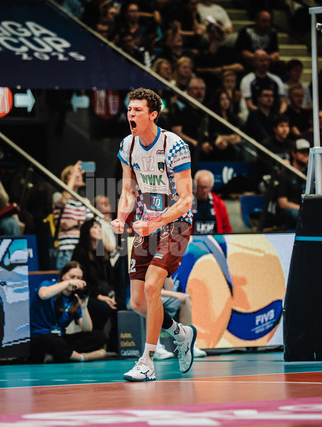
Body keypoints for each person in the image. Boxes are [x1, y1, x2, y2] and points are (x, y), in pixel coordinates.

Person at [111, 88, 197, 382]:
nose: (131, 114)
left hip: (176, 224)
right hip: (146, 224)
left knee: (152, 287)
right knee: (137, 302)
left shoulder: (174, 146)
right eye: (129, 109)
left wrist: (155, 222)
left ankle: (146, 362)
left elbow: (186, 200)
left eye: (137, 110)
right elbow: (127, 191)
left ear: (153, 115)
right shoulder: (128, 145)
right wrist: (121, 217)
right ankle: (181, 333)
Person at [29, 261, 107, 363]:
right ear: (63, 276)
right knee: (51, 340)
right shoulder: (48, 284)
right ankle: (81, 357)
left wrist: (84, 307)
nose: (75, 280)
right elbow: (43, 295)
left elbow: (87, 329)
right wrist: (68, 283)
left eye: (79, 278)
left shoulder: (75, 298)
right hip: (40, 336)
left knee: (99, 337)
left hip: (60, 338)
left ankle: (55, 356)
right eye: (72, 276)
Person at [71, 219, 118, 352]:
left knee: (119, 305)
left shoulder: (102, 252)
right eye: (95, 228)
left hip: (105, 293)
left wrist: (111, 295)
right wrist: (99, 296)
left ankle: (114, 344)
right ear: (87, 231)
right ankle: (94, 340)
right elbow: (82, 282)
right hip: (86, 295)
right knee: (103, 308)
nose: (99, 230)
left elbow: (111, 278)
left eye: (99, 228)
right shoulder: (80, 252)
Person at [52, 161, 94, 270]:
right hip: (67, 249)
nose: (78, 175)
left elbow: (90, 224)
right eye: (73, 173)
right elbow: (64, 200)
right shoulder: (57, 196)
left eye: (79, 173)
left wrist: (76, 223)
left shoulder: (85, 201)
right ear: (66, 179)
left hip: (83, 249)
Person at [274, 138, 309, 231]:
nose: (306, 155)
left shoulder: (310, 174)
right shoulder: (285, 174)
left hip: (306, 211)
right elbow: (282, 203)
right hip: (289, 212)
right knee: (294, 213)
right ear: (294, 153)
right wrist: (302, 209)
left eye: (307, 152)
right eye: (302, 152)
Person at [239, 49, 286, 114]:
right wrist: (263, 115)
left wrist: (279, 115)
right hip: (255, 115)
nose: (264, 63)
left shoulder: (276, 79)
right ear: (254, 62)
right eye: (261, 60)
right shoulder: (246, 80)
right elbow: (249, 104)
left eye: (266, 60)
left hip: (275, 115)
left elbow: (283, 103)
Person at [192, 170, 232, 234]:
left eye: (206, 187)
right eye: (201, 187)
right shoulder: (187, 203)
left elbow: (227, 229)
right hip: (193, 239)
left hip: (214, 239)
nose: (204, 190)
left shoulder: (219, 203)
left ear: (211, 187)